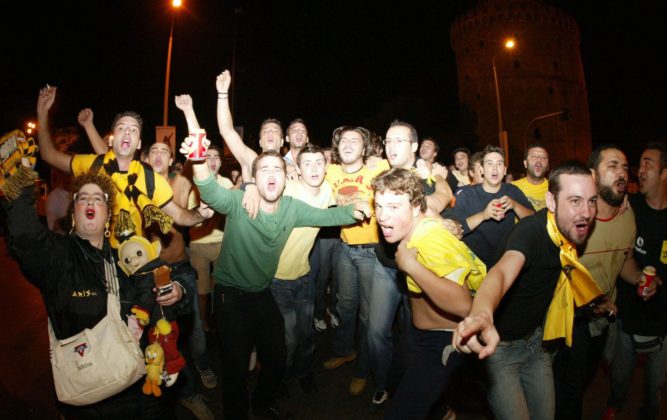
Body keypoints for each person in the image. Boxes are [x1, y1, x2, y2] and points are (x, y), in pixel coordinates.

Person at [189, 148, 368, 420]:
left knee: (276, 358)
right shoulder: (240, 201)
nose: (272, 175)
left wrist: (354, 209)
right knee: (236, 369)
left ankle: (262, 406)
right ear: (254, 178)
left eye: (277, 170)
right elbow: (210, 192)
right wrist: (198, 158)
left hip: (263, 294)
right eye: (264, 170)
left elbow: (328, 217)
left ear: (286, 179)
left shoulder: (291, 208)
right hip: (230, 297)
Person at [3, 171, 187, 418]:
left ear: (108, 214)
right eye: (82, 198)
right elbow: (24, 236)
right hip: (89, 400)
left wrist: (177, 292)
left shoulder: (126, 257)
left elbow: (160, 299)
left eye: (98, 198)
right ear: (73, 212)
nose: (90, 201)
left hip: (142, 389)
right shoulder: (57, 257)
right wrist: (21, 180)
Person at [453, 161, 602, 420]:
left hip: (536, 344)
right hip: (501, 351)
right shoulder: (531, 232)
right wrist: (482, 314)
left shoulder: (566, 233)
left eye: (592, 201)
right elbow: (501, 272)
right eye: (575, 201)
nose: (586, 212)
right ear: (551, 201)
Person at [35, 86, 212, 248]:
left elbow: (179, 215)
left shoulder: (148, 177)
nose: (127, 132)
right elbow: (49, 155)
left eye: (134, 130)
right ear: (113, 139)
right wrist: (42, 114)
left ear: (139, 143)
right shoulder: (93, 164)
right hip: (95, 258)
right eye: (121, 128)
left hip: (133, 260)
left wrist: (200, 214)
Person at [371, 168, 485, 419]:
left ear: (415, 207)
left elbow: (463, 305)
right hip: (418, 335)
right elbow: (442, 195)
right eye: (378, 206)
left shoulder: (431, 239)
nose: (382, 216)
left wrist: (410, 266)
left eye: (393, 207)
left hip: (441, 343)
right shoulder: (420, 220)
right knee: (396, 384)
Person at [366, 120, 452, 409]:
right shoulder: (379, 173)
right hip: (385, 266)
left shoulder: (426, 177)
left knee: (412, 335)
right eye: (388, 141)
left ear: (414, 146)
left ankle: (410, 389)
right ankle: (383, 384)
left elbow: (441, 200)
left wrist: (438, 181)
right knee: (376, 332)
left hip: (416, 270)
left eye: (399, 141)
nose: (391, 147)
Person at [553, 145, 638, 419]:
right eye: (612, 166)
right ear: (593, 175)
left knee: (583, 382)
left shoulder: (628, 215)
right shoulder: (573, 219)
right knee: (569, 389)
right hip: (572, 320)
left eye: (625, 167)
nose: (621, 173)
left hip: (603, 321)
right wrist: (590, 302)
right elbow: (558, 272)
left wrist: (640, 279)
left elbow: (624, 260)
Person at [144, 141, 216, 419]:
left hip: (180, 269)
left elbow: (194, 157)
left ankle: (203, 365)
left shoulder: (180, 183)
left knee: (195, 330)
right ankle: (180, 393)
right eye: (153, 151)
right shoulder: (136, 188)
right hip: (148, 273)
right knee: (157, 337)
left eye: (164, 151)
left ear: (171, 159)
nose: (158, 154)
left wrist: (191, 125)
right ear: (145, 159)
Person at [321, 125, 389, 398]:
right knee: (345, 306)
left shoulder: (378, 167)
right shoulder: (330, 171)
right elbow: (302, 172)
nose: (348, 144)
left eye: (355, 140)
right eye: (344, 140)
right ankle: (343, 351)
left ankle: (362, 369)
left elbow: (409, 171)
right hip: (344, 248)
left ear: (365, 148)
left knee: (367, 315)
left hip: (371, 251)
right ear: (337, 147)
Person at [603, 141, 667, 420]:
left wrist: (659, 283)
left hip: (662, 321)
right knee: (619, 377)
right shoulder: (629, 207)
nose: (639, 170)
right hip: (627, 317)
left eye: (648, 164)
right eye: (638, 164)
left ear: (665, 173)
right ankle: (615, 404)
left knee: (655, 387)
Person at [450, 145, 534, 266]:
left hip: (506, 260)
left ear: (504, 170)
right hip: (475, 264)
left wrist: (515, 205)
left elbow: (533, 220)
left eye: (499, 164)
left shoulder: (512, 191)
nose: (495, 168)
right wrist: (484, 215)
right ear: (482, 170)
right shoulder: (466, 195)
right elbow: (456, 229)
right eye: (489, 164)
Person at [512, 143, 550, 211]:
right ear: (525, 163)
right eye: (533, 157)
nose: (539, 160)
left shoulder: (555, 189)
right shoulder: (512, 188)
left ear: (547, 165)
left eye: (543, 157)